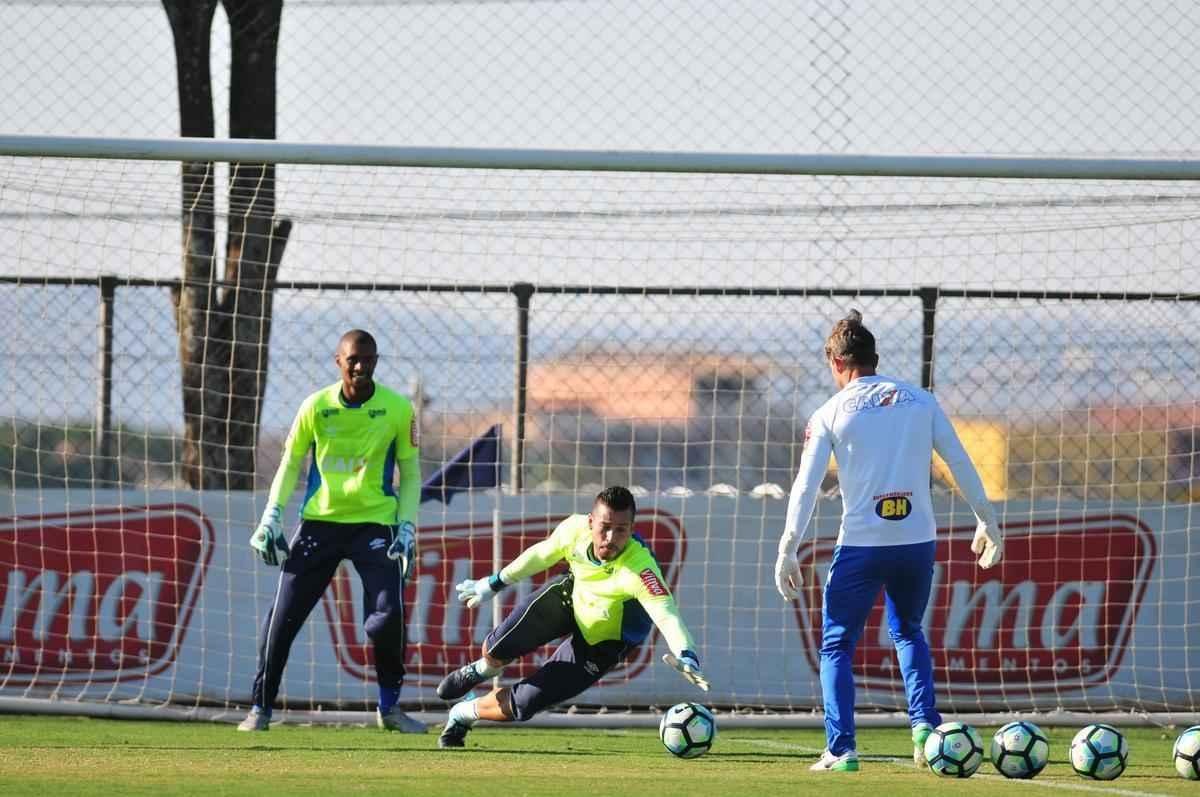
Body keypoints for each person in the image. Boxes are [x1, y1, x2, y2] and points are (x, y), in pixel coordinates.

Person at [774, 310, 1002, 772]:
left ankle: (841, 750)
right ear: (874, 358)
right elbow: (958, 461)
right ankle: (924, 729)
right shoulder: (921, 400)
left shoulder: (830, 413)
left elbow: (806, 484)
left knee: (837, 645)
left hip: (861, 545)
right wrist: (988, 521)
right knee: (908, 632)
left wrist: (788, 546)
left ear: (835, 363)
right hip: (917, 542)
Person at [237, 329, 426, 733]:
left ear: (377, 361)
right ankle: (261, 708)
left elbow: (410, 473)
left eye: (368, 359)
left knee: (387, 617)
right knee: (282, 618)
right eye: (352, 359)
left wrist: (407, 526)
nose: (360, 366)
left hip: (376, 525)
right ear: (338, 361)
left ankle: (390, 709)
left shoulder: (397, 408)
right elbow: (289, 465)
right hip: (320, 524)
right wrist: (272, 515)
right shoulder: (315, 406)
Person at [434, 485, 709, 749]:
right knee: (496, 647)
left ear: (632, 529)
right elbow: (542, 554)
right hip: (570, 598)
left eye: (621, 530)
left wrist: (686, 653)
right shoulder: (574, 528)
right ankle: (484, 669)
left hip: (602, 643)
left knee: (526, 703)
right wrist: (494, 583)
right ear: (591, 522)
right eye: (605, 527)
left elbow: (666, 614)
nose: (611, 538)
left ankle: (463, 713)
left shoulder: (640, 569)